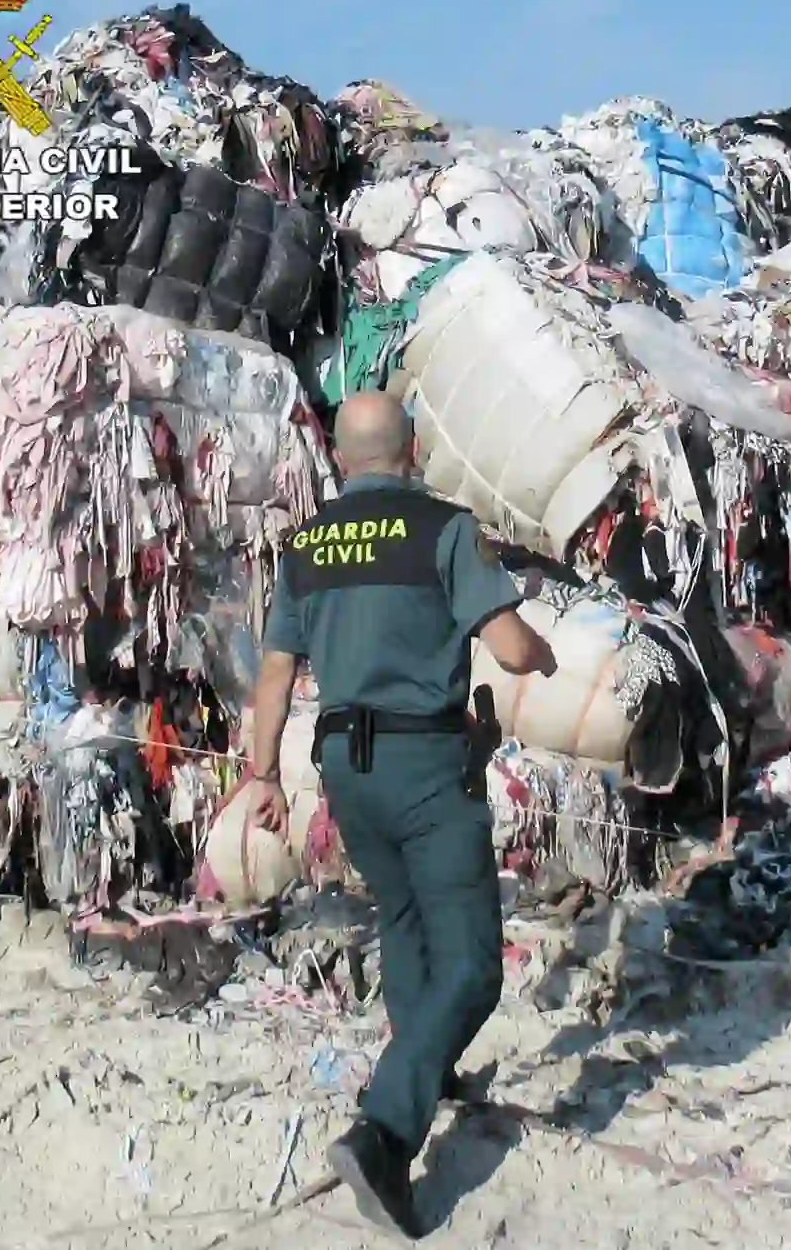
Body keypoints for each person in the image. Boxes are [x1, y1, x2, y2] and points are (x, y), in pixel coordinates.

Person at [242, 392, 557, 1239]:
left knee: (408, 919)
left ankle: (430, 1065)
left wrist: (263, 775)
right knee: (474, 963)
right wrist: (544, 651)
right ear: (412, 449)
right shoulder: (443, 528)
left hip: (345, 767)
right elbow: (512, 645)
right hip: (425, 761)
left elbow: (273, 676)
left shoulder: (306, 545)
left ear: (342, 459)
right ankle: (383, 1134)